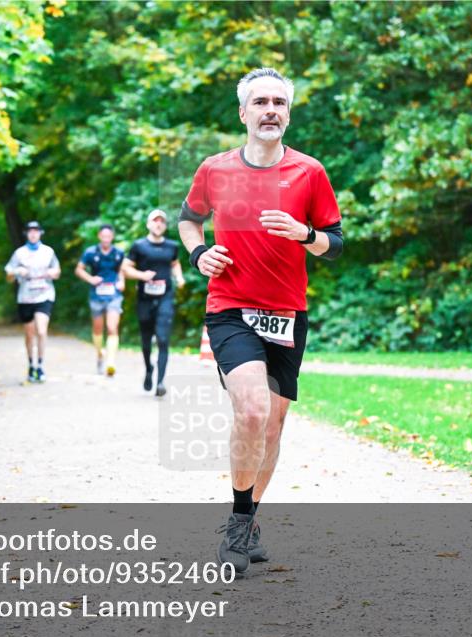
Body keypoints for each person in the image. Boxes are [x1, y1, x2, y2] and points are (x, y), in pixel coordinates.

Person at [177, 68, 344, 573]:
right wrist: (198, 253)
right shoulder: (215, 169)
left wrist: (303, 233)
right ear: (243, 113)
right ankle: (237, 522)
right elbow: (189, 219)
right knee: (251, 410)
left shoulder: (310, 172)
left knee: (272, 426)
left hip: (288, 313)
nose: (270, 110)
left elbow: (335, 244)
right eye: (261, 102)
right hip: (229, 308)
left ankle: (248, 521)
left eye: (279, 102)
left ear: (288, 114)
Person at [124, 209, 184, 397]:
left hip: (165, 296)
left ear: (165, 226)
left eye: (161, 221)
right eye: (155, 221)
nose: (158, 224)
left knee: (163, 338)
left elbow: (175, 263)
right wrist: (141, 275)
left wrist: (179, 277)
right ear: (148, 224)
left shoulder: (172, 246)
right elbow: (126, 268)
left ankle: (160, 382)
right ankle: (149, 369)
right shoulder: (139, 246)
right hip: (144, 298)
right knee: (145, 339)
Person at [4, 221, 61, 383]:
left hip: (44, 295)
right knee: (29, 334)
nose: (33, 234)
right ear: (26, 234)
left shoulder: (48, 251)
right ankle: (31, 365)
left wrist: (52, 273)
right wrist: (17, 271)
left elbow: (57, 271)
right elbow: (8, 276)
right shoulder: (19, 253)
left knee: (41, 331)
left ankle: (40, 365)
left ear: (40, 233)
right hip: (25, 297)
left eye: (36, 231)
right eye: (30, 231)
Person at [75, 224, 126, 376]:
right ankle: (99, 354)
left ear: (112, 237)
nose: (106, 239)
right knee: (97, 329)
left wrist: (122, 281)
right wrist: (90, 279)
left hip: (114, 295)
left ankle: (110, 362)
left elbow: (122, 270)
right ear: (99, 236)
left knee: (112, 327)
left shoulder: (118, 253)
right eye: (103, 236)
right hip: (96, 295)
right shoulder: (90, 252)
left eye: (108, 236)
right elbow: (78, 269)